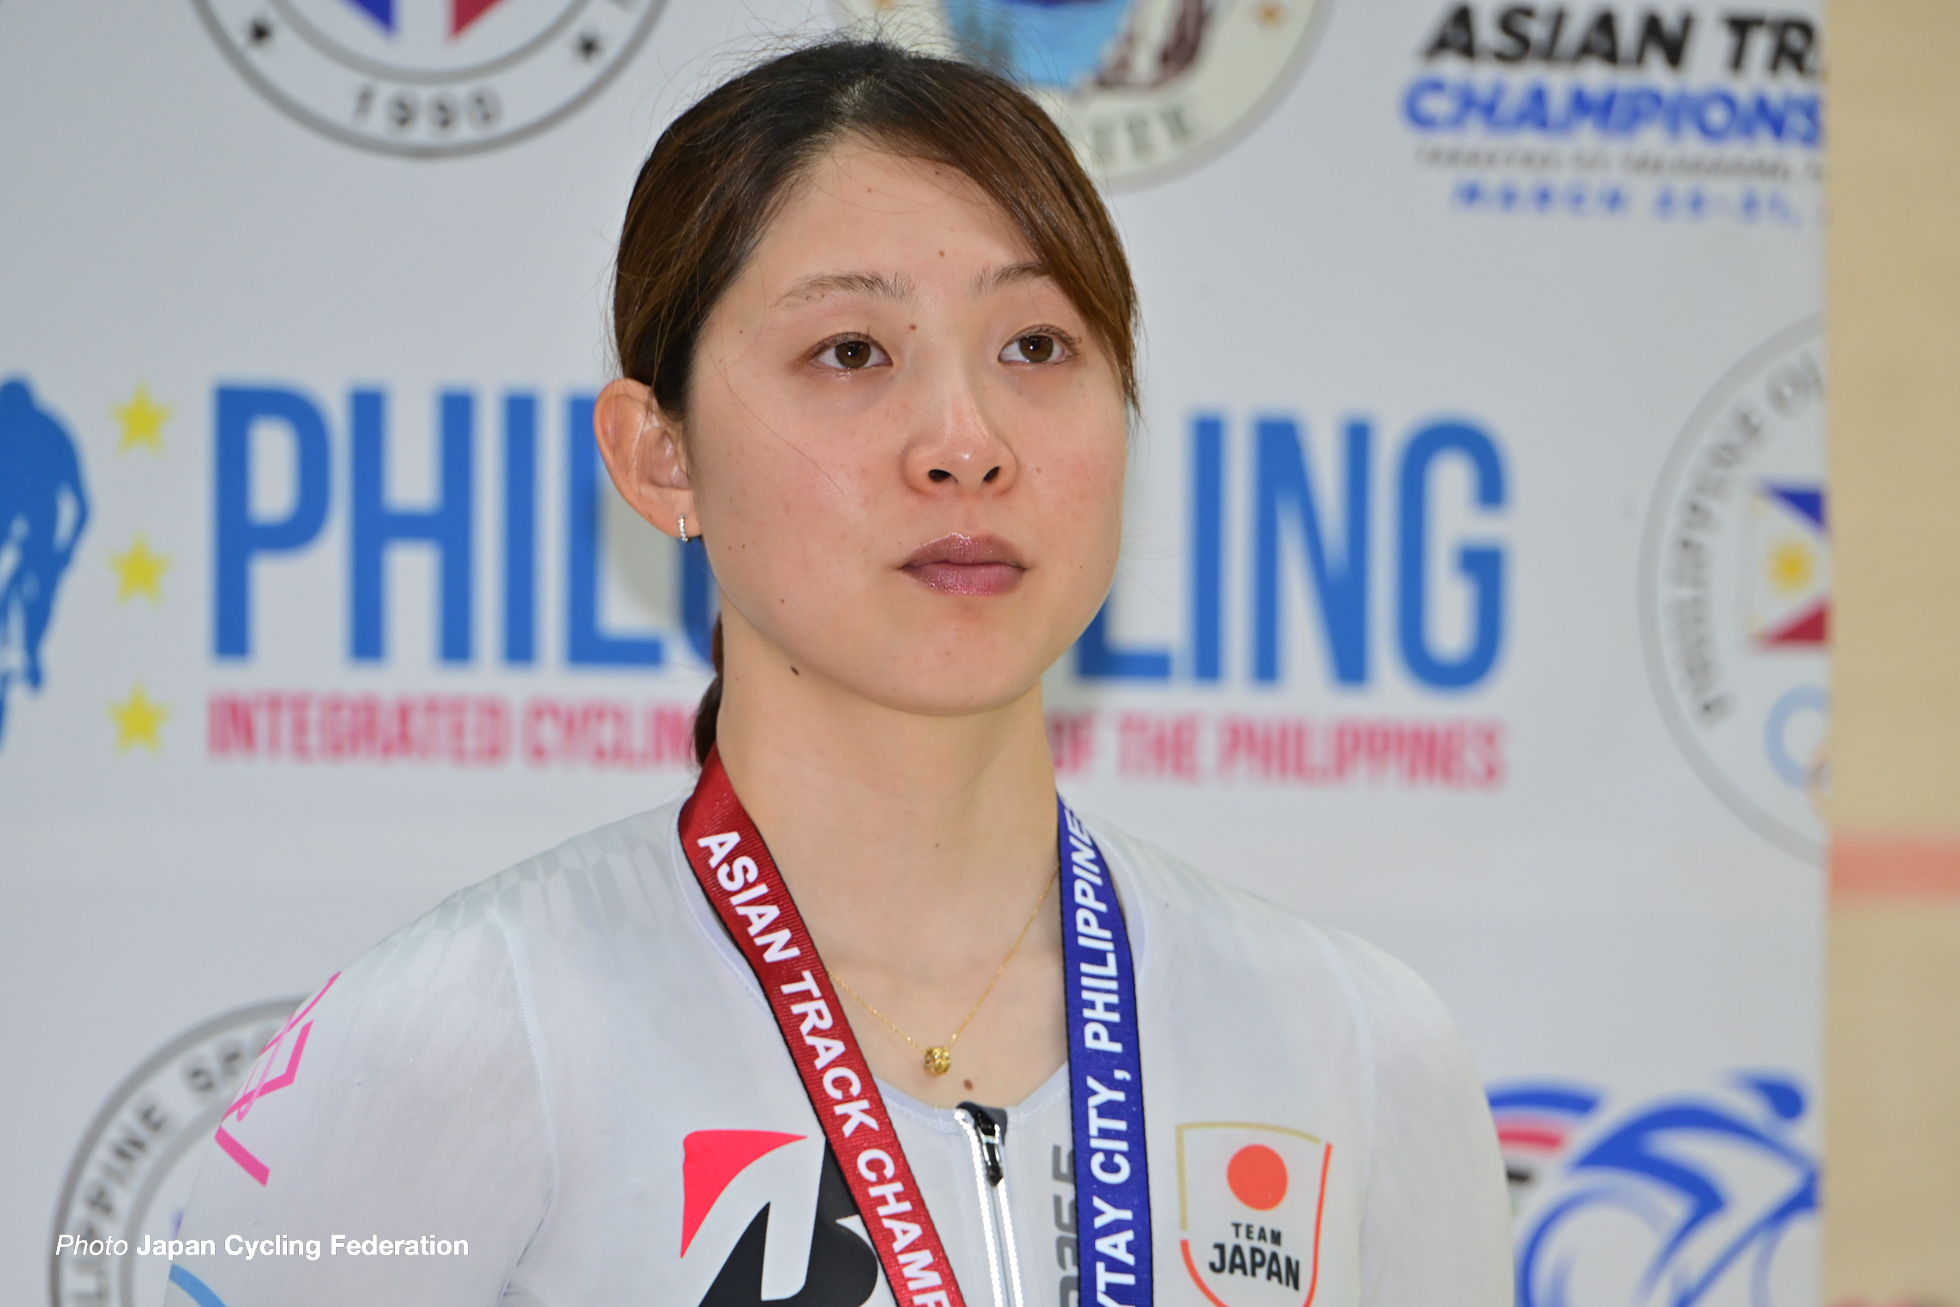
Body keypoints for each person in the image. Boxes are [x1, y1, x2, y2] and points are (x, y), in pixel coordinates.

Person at [163, 38, 1510, 1307]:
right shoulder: (464, 1031)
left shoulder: (1361, 1050)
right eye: (850, 352)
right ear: (658, 456)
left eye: (1036, 347)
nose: (964, 442)